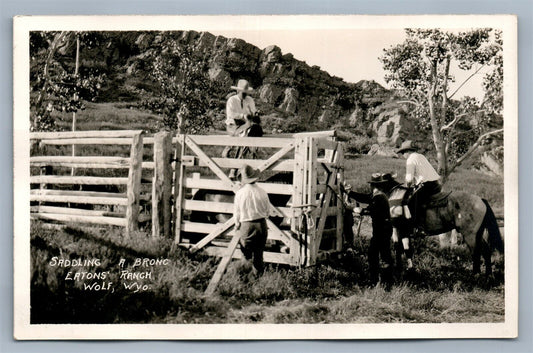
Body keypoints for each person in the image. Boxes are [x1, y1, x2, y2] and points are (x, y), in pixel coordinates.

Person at [345, 173, 395, 286]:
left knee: (376, 254)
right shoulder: (377, 196)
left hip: (382, 230)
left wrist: (356, 209)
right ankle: (384, 281)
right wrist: (349, 193)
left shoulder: (379, 198)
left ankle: (379, 281)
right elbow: (364, 198)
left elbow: (371, 210)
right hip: (383, 230)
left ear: (372, 186)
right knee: (381, 254)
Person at [233, 164, 270, 275]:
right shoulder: (263, 192)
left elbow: (237, 213)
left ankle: (245, 278)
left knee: (245, 254)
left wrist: (237, 225)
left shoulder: (240, 193)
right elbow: (267, 212)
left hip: (246, 225)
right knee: (259, 255)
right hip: (261, 225)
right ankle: (258, 278)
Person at [396, 140, 441, 223]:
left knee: (410, 204)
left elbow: (409, 179)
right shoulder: (421, 156)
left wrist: (407, 187)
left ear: (407, 151)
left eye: (402, 153)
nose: (403, 155)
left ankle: (418, 226)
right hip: (436, 184)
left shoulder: (410, 159)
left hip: (426, 186)